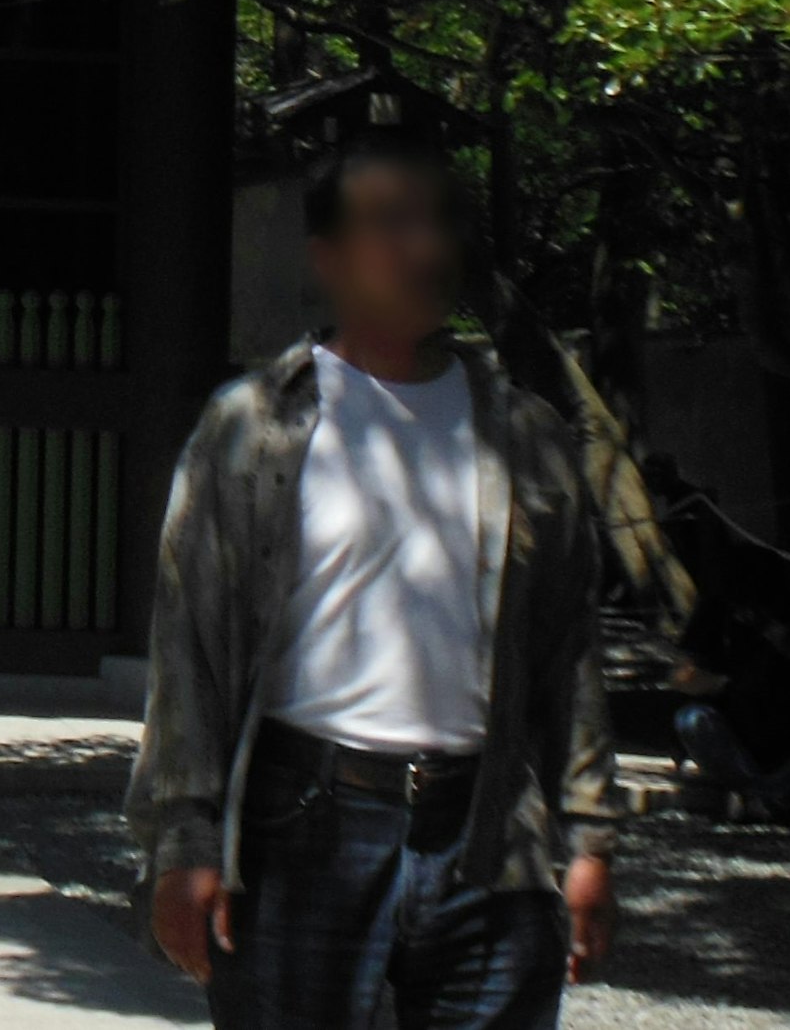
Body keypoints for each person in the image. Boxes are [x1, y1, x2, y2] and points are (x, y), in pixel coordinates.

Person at [129, 129, 617, 1029]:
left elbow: (568, 647)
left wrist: (590, 837)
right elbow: (188, 646)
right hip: (301, 821)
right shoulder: (251, 428)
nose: (423, 247)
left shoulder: (525, 434)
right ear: (329, 256)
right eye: (391, 224)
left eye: (437, 223)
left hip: (489, 829)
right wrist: (185, 840)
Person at [667, 597, 790, 822]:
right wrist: (728, 686)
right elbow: (680, 677)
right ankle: (772, 796)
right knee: (690, 719)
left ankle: (766, 796)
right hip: (735, 737)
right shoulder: (718, 606)